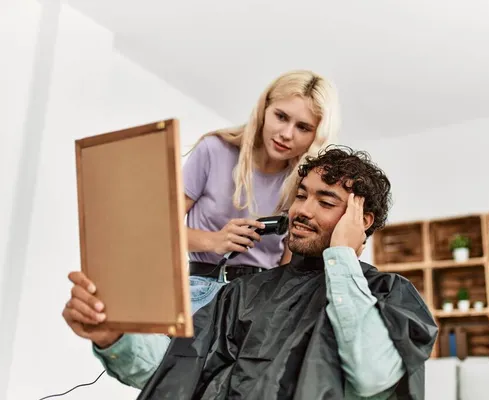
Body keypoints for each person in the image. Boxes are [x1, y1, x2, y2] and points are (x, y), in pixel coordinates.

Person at [61, 69, 341, 389]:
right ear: (264, 108)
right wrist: (215, 240)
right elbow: (157, 230)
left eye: (303, 127)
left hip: (259, 299)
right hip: (200, 288)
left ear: (317, 134)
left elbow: (288, 265)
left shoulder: (303, 184)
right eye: (281, 116)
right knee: (172, 381)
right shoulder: (214, 150)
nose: (287, 133)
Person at [129, 146, 436, 399]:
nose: (303, 210)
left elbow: (373, 377)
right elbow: (176, 371)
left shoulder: (389, 293)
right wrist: (114, 340)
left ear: (362, 220)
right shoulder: (242, 294)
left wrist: (342, 255)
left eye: (326, 202)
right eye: (301, 196)